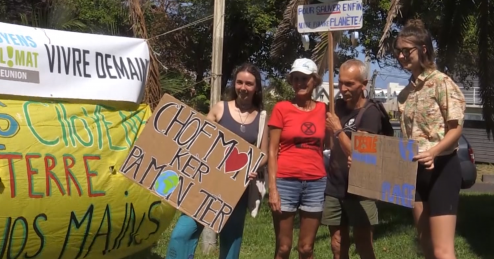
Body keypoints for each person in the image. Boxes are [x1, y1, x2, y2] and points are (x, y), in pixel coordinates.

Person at [165, 63, 269, 259]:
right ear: (234, 84)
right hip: (204, 185)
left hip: (236, 189)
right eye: (239, 82)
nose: (243, 88)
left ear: (256, 88)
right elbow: (199, 138)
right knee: (182, 233)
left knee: (231, 241)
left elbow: (263, 154)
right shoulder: (220, 108)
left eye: (249, 83)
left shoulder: (261, 117)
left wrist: (253, 166)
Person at [395, 19, 466, 259]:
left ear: (423, 49)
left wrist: (434, 152)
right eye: (399, 51)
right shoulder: (405, 93)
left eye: (407, 51)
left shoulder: (441, 82)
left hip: (442, 169)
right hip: (415, 172)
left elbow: (455, 130)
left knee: (442, 250)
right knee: (426, 246)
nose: (402, 56)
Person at [323, 59, 385, 259]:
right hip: (335, 186)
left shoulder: (370, 112)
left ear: (364, 84)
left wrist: (338, 130)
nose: (343, 88)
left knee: (363, 244)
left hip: (361, 190)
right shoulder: (336, 107)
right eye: (340, 82)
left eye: (349, 84)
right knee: (337, 243)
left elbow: (361, 155)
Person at [267, 58, 328, 259]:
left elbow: (330, 144)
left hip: (315, 182)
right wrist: (273, 188)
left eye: (305, 78)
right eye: (296, 78)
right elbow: (272, 150)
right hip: (285, 181)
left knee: (306, 248)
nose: (300, 83)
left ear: (315, 81)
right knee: (283, 248)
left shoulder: (324, 110)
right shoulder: (281, 108)